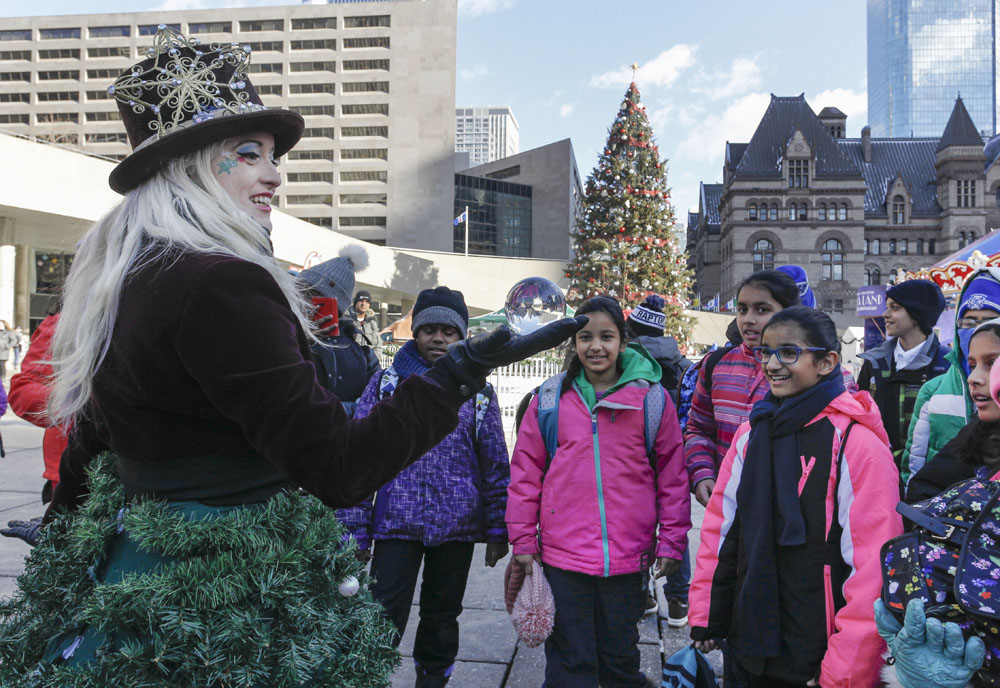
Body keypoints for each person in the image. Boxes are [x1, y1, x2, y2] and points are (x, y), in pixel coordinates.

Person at [0, 27, 583, 685]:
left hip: (141, 564)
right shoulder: (222, 281)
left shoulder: (127, 274)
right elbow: (338, 466)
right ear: (191, 167)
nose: (275, 175)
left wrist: (61, 532)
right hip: (229, 590)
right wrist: (455, 377)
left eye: (272, 155)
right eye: (250, 154)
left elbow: (95, 434)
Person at [689, 306, 902, 687]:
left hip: (816, 651)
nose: (772, 364)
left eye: (788, 352)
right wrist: (708, 613)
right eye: (766, 352)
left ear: (826, 362)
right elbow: (721, 532)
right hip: (749, 637)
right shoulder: (752, 434)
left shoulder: (856, 443)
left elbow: (873, 570)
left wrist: (844, 670)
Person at [507, 295, 691, 688]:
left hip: (626, 558)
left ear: (623, 342)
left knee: (619, 657)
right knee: (570, 660)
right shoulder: (551, 399)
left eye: (607, 336)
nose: (596, 346)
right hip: (563, 558)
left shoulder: (652, 399)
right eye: (585, 337)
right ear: (573, 343)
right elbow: (526, 473)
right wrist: (522, 539)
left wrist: (673, 541)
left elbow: (672, 478)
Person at [338, 286, 509, 688]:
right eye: (430, 329)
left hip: (457, 528)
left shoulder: (478, 393)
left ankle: (432, 679)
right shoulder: (385, 385)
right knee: (382, 613)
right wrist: (355, 529)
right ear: (415, 332)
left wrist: (500, 528)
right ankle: (368, 676)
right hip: (396, 525)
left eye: (449, 332)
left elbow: (496, 464)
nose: (439, 339)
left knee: (442, 615)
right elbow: (360, 459)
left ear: (462, 337)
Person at [685, 270, 856, 510]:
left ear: (788, 313)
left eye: (762, 310)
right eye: (742, 309)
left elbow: (848, 444)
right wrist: (702, 472)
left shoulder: (825, 374)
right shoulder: (716, 365)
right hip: (728, 503)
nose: (748, 319)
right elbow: (699, 428)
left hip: (801, 510)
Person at [625, 294, 693, 625]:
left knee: (637, 526)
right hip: (672, 454)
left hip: (634, 454)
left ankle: (643, 595)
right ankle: (679, 601)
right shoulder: (681, 364)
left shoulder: (627, 360)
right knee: (674, 525)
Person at [902, 268, 1000, 485]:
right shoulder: (933, 391)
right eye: (969, 322)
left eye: (989, 320)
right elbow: (915, 464)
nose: (977, 330)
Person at [857, 279, 949, 480]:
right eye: (887, 307)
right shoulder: (873, 362)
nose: (885, 315)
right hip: (874, 470)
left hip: (926, 477)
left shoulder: (946, 365)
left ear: (917, 315)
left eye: (895, 308)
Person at [905, 317, 1000, 503]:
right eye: (972, 365)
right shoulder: (974, 436)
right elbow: (921, 491)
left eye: (992, 363)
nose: (973, 378)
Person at [297, 245, 380, 416]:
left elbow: (374, 404)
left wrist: (339, 411)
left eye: (312, 296)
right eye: (301, 293)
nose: (304, 303)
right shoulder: (286, 334)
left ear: (335, 306)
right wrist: (300, 340)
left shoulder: (362, 352)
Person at [346, 289, 383, 356]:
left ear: (369, 305)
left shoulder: (372, 324)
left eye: (367, 302)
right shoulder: (346, 321)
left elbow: (378, 346)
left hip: (368, 364)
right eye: (361, 301)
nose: (363, 304)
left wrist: (374, 362)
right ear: (355, 302)